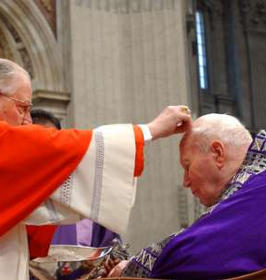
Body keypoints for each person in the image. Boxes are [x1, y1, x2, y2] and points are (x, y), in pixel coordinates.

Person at [0, 57, 191, 280]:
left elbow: (29, 200)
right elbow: (56, 147)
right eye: (23, 108)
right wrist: (149, 130)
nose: (28, 121)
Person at [109, 114, 266, 279]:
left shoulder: (259, 187)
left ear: (218, 154)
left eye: (187, 165)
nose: (185, 182)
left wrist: (129, 269)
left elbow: (185, 254)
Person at [30, 109, 121, 250]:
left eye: (52, 144)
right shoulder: (8, 195)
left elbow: (111, 250)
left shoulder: (88, 198)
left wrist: (107, 264)